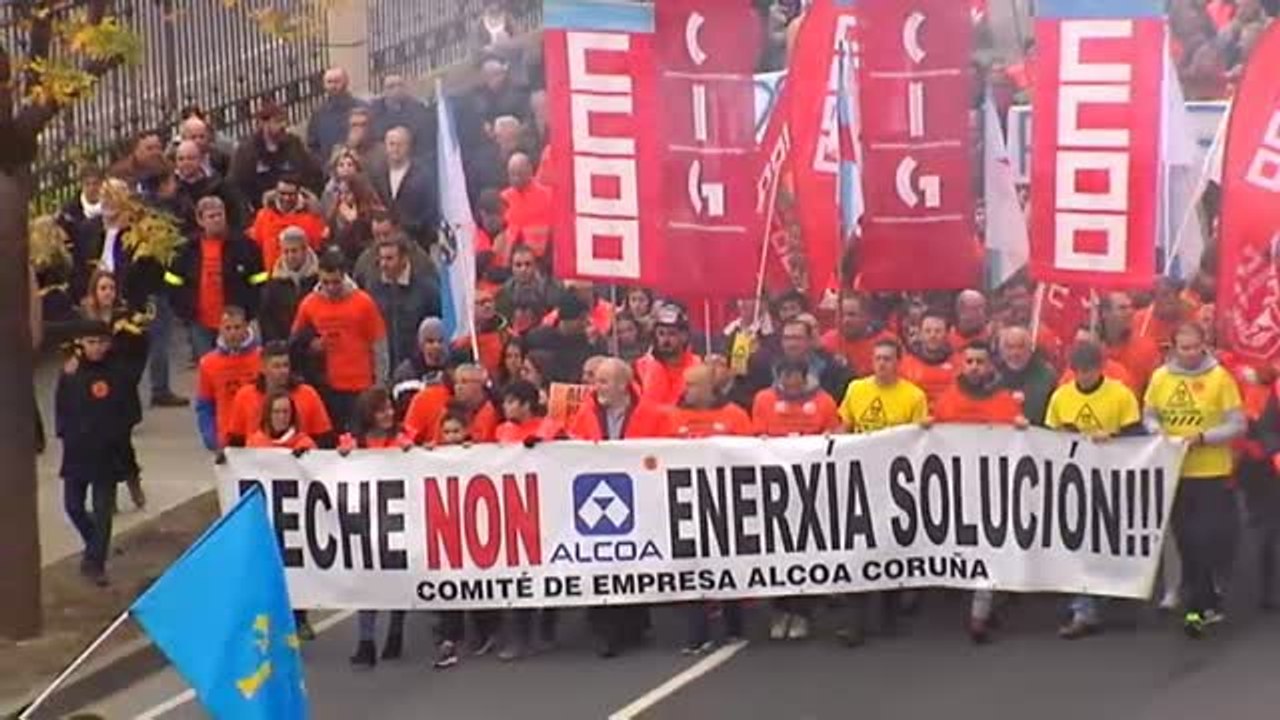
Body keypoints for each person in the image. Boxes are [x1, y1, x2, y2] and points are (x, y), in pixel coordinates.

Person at [1143, 322, 1245, 638]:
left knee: (1203, 538)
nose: (1188, 354)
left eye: (1194, 347)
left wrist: (1203, 437)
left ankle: (1195, 608)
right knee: (1184, 540)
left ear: (1204, 345)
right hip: (1175, 470)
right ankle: (1205, 599)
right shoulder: (1161, 377)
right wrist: (1158, 433)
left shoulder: (1219, 378)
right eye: (1183, 348)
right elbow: (1149, 415)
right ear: (1174, 347)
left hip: (1211, 470)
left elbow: (1237, 424)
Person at [568, 358, 669, 657]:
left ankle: (635, 623)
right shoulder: (586, 411)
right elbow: (573, 442)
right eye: (596, 380)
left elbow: (666, 448)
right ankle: (607, 631)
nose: (596, 387)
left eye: (603, 381)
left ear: (623, 385)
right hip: (596, 493)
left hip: (639, 492)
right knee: (604, 560)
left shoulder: (651, 413)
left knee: (634, 560)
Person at [1045, 340, 1144, 638]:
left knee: (1109, 541)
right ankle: (1083, 608)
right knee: (1078, 543)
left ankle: (1106, 596)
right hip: (1075, 480)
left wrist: (1112, 435)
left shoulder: (1119, 394)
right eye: (1078, 371)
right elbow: (1050, 434)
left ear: (1100, 368)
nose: (1083, 377)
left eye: (1088, 371)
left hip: (1113, 477)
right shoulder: (1062, 396)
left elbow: (1136, 433)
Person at [932, 341, 1027, 644]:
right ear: (962, 364)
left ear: (990, 366)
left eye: (980, 362)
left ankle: (980, 614)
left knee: (989, 547)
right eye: (969, 361)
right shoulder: (947, 400)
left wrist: (1022, 428)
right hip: (957, 489)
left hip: (993, 490)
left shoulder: (1004, 401)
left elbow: (1019, 442)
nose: (974, 367)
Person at [835, 338, 927, 645]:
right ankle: (855, 621)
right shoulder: (856, 390)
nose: (882, 364)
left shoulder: (913, 396)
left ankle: (889, 615)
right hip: (860, 479)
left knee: (890, 548)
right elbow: (844, 427)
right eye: (877, 358)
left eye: (888, 358)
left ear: (898, 363)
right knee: (858, 548)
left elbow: (920, 440)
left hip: (895, 481)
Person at [751, 356, 840, 641]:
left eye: (795, 376)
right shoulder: (763, 399)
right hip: (775, 485)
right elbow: (757, 435)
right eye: (785, 375)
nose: (790, 381)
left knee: (807, 549)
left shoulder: (824, 401)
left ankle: (802, 613)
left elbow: (834, 436)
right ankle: (780, 611)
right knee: (778, 549)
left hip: (812, 486)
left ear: (805, 377)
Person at [56, 320, 134, 586]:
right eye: (91, 342)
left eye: (101, 342)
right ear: (81, 344)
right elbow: (61, 406)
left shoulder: (119, 372)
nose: (97, 348)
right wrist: (65, 433)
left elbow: (130, 410)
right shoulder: (71, 372)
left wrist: (118, 436)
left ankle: (95, 563)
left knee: (103, 511)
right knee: (73, 506)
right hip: (77, 451)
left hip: (107, 452)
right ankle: (95, 544)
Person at [491, 381, 562, 661]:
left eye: (511, 401)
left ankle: (546, 629)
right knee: (519, 576)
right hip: (515, 511)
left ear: (526, 404)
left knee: (550, 572)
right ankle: (521, 637)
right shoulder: (501, 431)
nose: (505, 407)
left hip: (547, 509)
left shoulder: (550, 428)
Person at [341, 387, 410, 669]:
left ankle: (395, 631)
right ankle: (366, 641)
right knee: (366, 579)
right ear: (369, 413)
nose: (389, 414)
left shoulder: (402, 439)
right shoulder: (353, 441)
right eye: (382, 410)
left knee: (398, 576)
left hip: (398, 519)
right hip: (365, 521)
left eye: (390, 409)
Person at [291, 249, 389, 429]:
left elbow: (379, 344)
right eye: (325, 282)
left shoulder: (363, 302)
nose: (330, 288)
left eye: (335, 282)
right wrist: (310, 347)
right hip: (327, 387)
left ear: (344, 276)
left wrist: (380, 383)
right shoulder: (309, 305)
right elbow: (295, 344)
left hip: (361, 386)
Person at [166, 197, 267, 358]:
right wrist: (186, 311)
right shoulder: (186, 249)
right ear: (200, 220)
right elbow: (173, 282)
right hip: (201, 323)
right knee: (208, 368)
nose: (217, 220)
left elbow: (260, 281)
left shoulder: (245, 245)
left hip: (238, 323)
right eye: (211, 216)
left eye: (220, 215)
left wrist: (248, 313)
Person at [226, 341, 336, 449]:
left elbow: (324, 438)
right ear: (263, 368)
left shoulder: (308, 394)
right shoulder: (245, 396)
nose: (283, 371)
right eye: (276, 366)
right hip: (258, 460)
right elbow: (236, 441)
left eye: (285, 365)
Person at [364, 234, 441, 374]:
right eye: (381, 258)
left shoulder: (426, 289)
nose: (383, 264)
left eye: (389, 259)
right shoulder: (373, 287)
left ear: (404, 258)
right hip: (383, 368)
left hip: (415, 368)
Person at [230, 101, 324, 211]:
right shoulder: (246, 152)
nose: (283, 125)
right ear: (263, 123)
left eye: (284, 121)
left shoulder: (294, 144)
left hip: (295, 208)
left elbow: (312, 174)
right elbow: (237, 187)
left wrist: (307, 195)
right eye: (278, 121)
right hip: (262, 212)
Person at [195, 307, 262, 451]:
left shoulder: (262, 358)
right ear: (220, 329)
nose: (233, 333)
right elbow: (205, 406)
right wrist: (211, 438)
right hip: (226, 442)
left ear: (246, 327)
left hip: (259, 441)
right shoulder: (208, 363)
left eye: (237, 327)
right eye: (228, 328)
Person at [746, 316, 851, 402]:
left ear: (810, 340)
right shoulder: (766, 367)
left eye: (797, 338)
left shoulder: (831, 369)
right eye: (787, 338)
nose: (792, 344)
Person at [370, 127, 438, 245]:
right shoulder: (377, 174)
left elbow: (431, 210)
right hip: (384, 243)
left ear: (409, 146)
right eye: (392, 144)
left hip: (416, 242)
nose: (395, 149)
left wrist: (409, 228)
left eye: (400, 144)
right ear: (385, 146)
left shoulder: (424, 175)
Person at [248, 176, 330, 271]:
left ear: (298, 193)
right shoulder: (263, 216)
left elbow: (319, 248)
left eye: (291, 194)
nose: (286, 198)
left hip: (303, 279)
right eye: (282, 193)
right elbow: (255, 246)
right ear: (276, 193)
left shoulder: (311, 219)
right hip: (271, 278)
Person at [524, 295, 604, 384]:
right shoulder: (538, 339)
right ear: (568, 320)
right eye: (582, 318)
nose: (586, 323)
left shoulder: (588, 344)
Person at [259, 226, 320, 343]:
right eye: (286, 251)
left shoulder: (320, 279)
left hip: (314, 347)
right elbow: (266, 317)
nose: (290, 256)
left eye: (294, 251)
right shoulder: (273, 282)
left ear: (305, 249)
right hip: (284, 346)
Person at [635, 304, 701, 408]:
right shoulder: (641, 366)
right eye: (661, 334)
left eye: (672, 334)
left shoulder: (698, 366)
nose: (666, 340)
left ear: (684, 336)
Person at [173, 139, 245, 230]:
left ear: (200, 159)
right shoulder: (173, 191)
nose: (185, 162)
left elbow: (236, 217)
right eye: (181, 159)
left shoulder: (219, 187)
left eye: (190, 158)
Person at [1100, 292, 1162, 393]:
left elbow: (1157, 391)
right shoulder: (1091, 348)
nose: (1130, 312)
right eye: (1122, 308)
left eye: (1131, 307)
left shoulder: (1147, 348)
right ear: (1105, 313)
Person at [995, 326, 1057, 427]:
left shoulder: (1046, 376)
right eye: (1010, 347)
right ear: (1002, 350)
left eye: (1020, 347)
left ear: (1030, 348)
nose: (1015, 353)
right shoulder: (992, 375)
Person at [393, 317, 452, 420]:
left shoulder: (454, 368)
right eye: (430, 341)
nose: (436, 346)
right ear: (421, 344)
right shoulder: (406, 372)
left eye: (440, 341)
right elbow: (403, 409)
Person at [821, 294, 893, 378]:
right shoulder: (826, 342)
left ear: (866, 316)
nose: (846, 320)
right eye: (841, 315)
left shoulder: (888, 342)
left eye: (851, 315)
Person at [901, 312, 959, 410]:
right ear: (920, 333)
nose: (933, 335)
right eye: (928, 331)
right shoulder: (905, 365)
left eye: (938, 331)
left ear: (947, 333)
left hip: (950, 420)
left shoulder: (959, 363)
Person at [308, 67, 367, 162]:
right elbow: (313, 146)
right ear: (324, 85)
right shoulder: (318, 114)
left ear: (346, 82)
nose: (333, 86)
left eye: (337, 81)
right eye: (329, 82)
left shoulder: (363, 107)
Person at [501, 153, 552, 258]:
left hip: (541, 258)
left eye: (519, 174)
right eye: (512, 174)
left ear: (530, 171)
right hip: (512, 259)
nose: (516, 179)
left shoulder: (548, 196)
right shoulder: (503, 198)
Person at [369, 74, 434, 158]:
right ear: (383, 91)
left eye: (400, 85)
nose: (397, 89)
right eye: (391, 86)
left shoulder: (417, 108)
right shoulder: (373, 112)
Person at [496, 244, 560, 320]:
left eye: (528, 264)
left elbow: (557, 311)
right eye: (518, 265)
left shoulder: (549, 286)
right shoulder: (506, 290)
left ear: (535, 265)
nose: (523, 269)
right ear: (512, 267)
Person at [245, 390, 318, 451]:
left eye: (285, 412)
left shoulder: (305, 445)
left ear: (292, 414)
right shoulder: (254, 444)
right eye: (276, 412)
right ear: (267, 414)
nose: (281, 417)